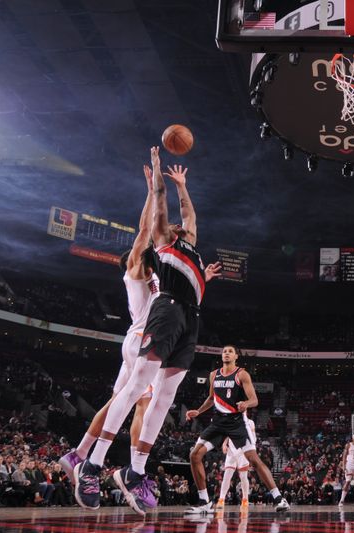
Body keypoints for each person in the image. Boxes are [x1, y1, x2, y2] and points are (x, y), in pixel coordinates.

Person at [75, 147, 222, 516]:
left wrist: (184, 185)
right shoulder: (163, 241)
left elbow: (189, 212)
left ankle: (135, 470)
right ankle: (92, 464)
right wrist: (157, 173)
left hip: (191, 319)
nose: (178, 223)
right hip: (167, 311)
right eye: (173, 223)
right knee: (137, 387)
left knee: (165, 399)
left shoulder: (190, 243)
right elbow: (160, 204)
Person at [59, 163, 158, 482]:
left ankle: (78, 454)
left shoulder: (152, 276)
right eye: (143, 253)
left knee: (119, 403)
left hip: (136, 341)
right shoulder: (134, 271)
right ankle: (134, 472)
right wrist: (152, 192)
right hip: (144, 342)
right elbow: (145, 229)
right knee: (144, 405)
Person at [185, 344, 289, 514]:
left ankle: (279, 498)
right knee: (194, 455)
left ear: (236, 357)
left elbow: (254, 400)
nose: (226, 353)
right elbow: (212, 398)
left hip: (236, 423)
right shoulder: (214, 375)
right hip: (218, 423)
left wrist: (246, 404)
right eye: (224, 351)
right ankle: (204, 501)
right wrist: (198, 411)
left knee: (254, 460)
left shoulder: (242, 374)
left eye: (230, 351)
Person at [216, 421, 255, 511]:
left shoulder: (250, 422)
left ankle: (245, 499)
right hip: (232, 450)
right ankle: (221, 499)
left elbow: (253, 439)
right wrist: (224, 443)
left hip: (243, 451)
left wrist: (251, 455)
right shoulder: (232, 419)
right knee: (226, 476)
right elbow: (227, 433)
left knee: (243, 477)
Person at [338, 434, 354, 507]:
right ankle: (341, 500)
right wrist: (343, 465)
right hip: (349, 465)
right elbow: (344, 456)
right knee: (347, 482)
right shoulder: (348, 445)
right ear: (352, 439)